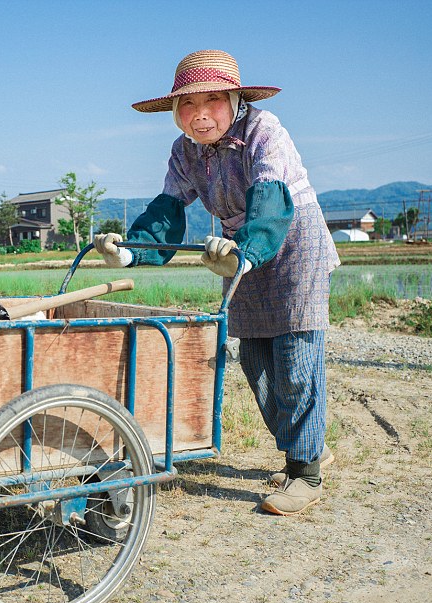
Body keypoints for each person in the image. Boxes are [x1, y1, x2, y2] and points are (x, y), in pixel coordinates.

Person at [94, 49, 339, 516]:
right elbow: (168, 210)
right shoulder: (185, 150)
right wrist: (129, 251)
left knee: (295, 356)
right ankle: (311, 445)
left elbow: (270, 198)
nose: (199, 113)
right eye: (187, 104)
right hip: (235, 249)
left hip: (291, 239)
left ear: (234, 99)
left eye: (212, 100)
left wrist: (246, 253)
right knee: (255, 360)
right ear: (174, 111)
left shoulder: (264, 131)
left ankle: (305, 471)